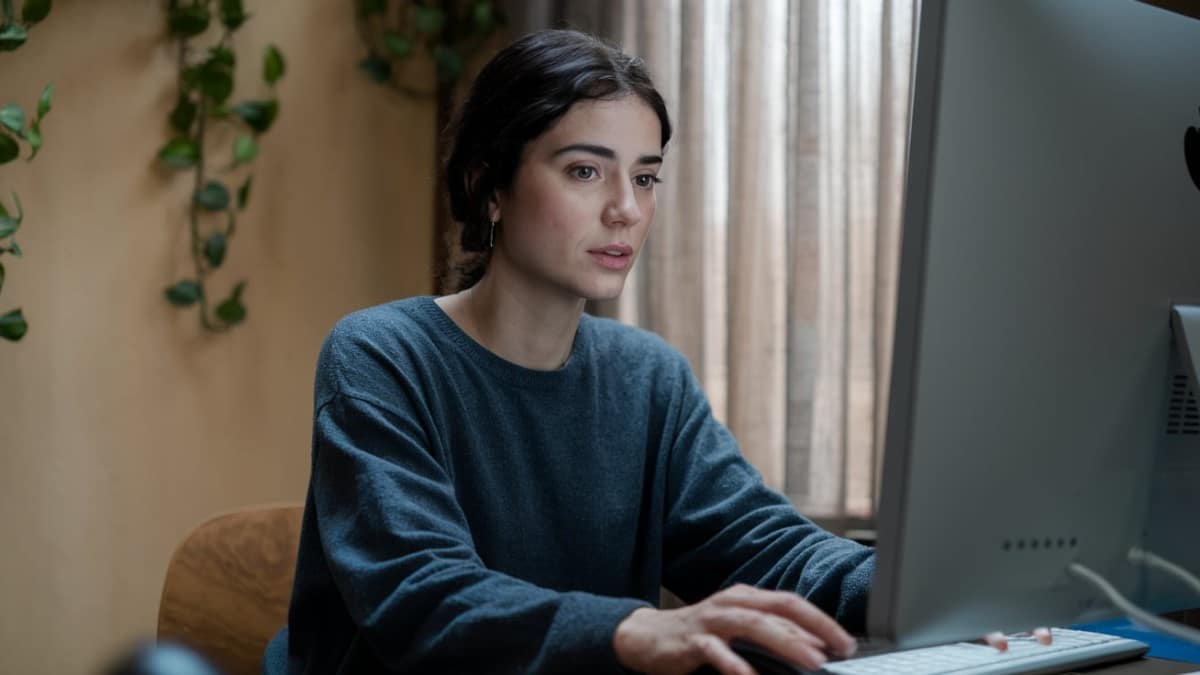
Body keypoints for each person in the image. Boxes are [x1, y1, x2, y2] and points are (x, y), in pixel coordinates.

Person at [262, 28, 1037, 675]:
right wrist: (637, 628)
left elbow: (762, 544)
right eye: (584, 170)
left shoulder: (646, 377)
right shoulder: (381, 356)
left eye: (647, 176)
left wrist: (933, 590)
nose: (625, 210)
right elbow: (423, 596)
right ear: (487, 183)